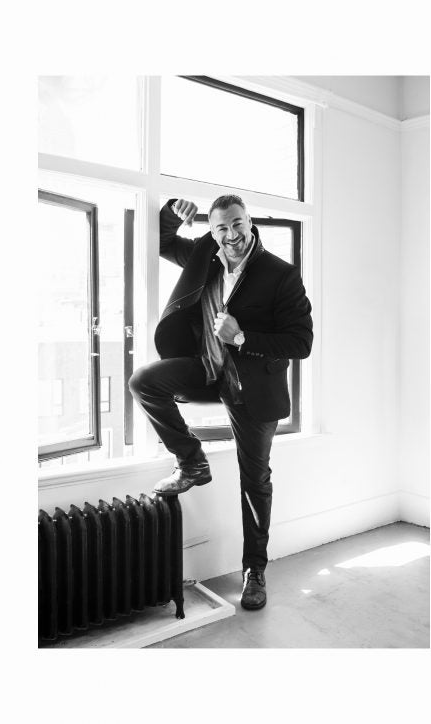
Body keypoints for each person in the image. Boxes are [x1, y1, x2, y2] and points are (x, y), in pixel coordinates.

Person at [129, 195, 313, 610]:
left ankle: (254, 571)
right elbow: (162, 240)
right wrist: (170, 212)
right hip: (208, 370)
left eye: (237, 224)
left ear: (249, 222)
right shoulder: (203, 255)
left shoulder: (280, 274)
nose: (231, 235)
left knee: (255, 482)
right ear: (212, 231)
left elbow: (301, 342)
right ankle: (192, 461)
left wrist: (242, 337)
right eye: (221, 228)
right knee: (145, 382)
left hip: (254, 389)